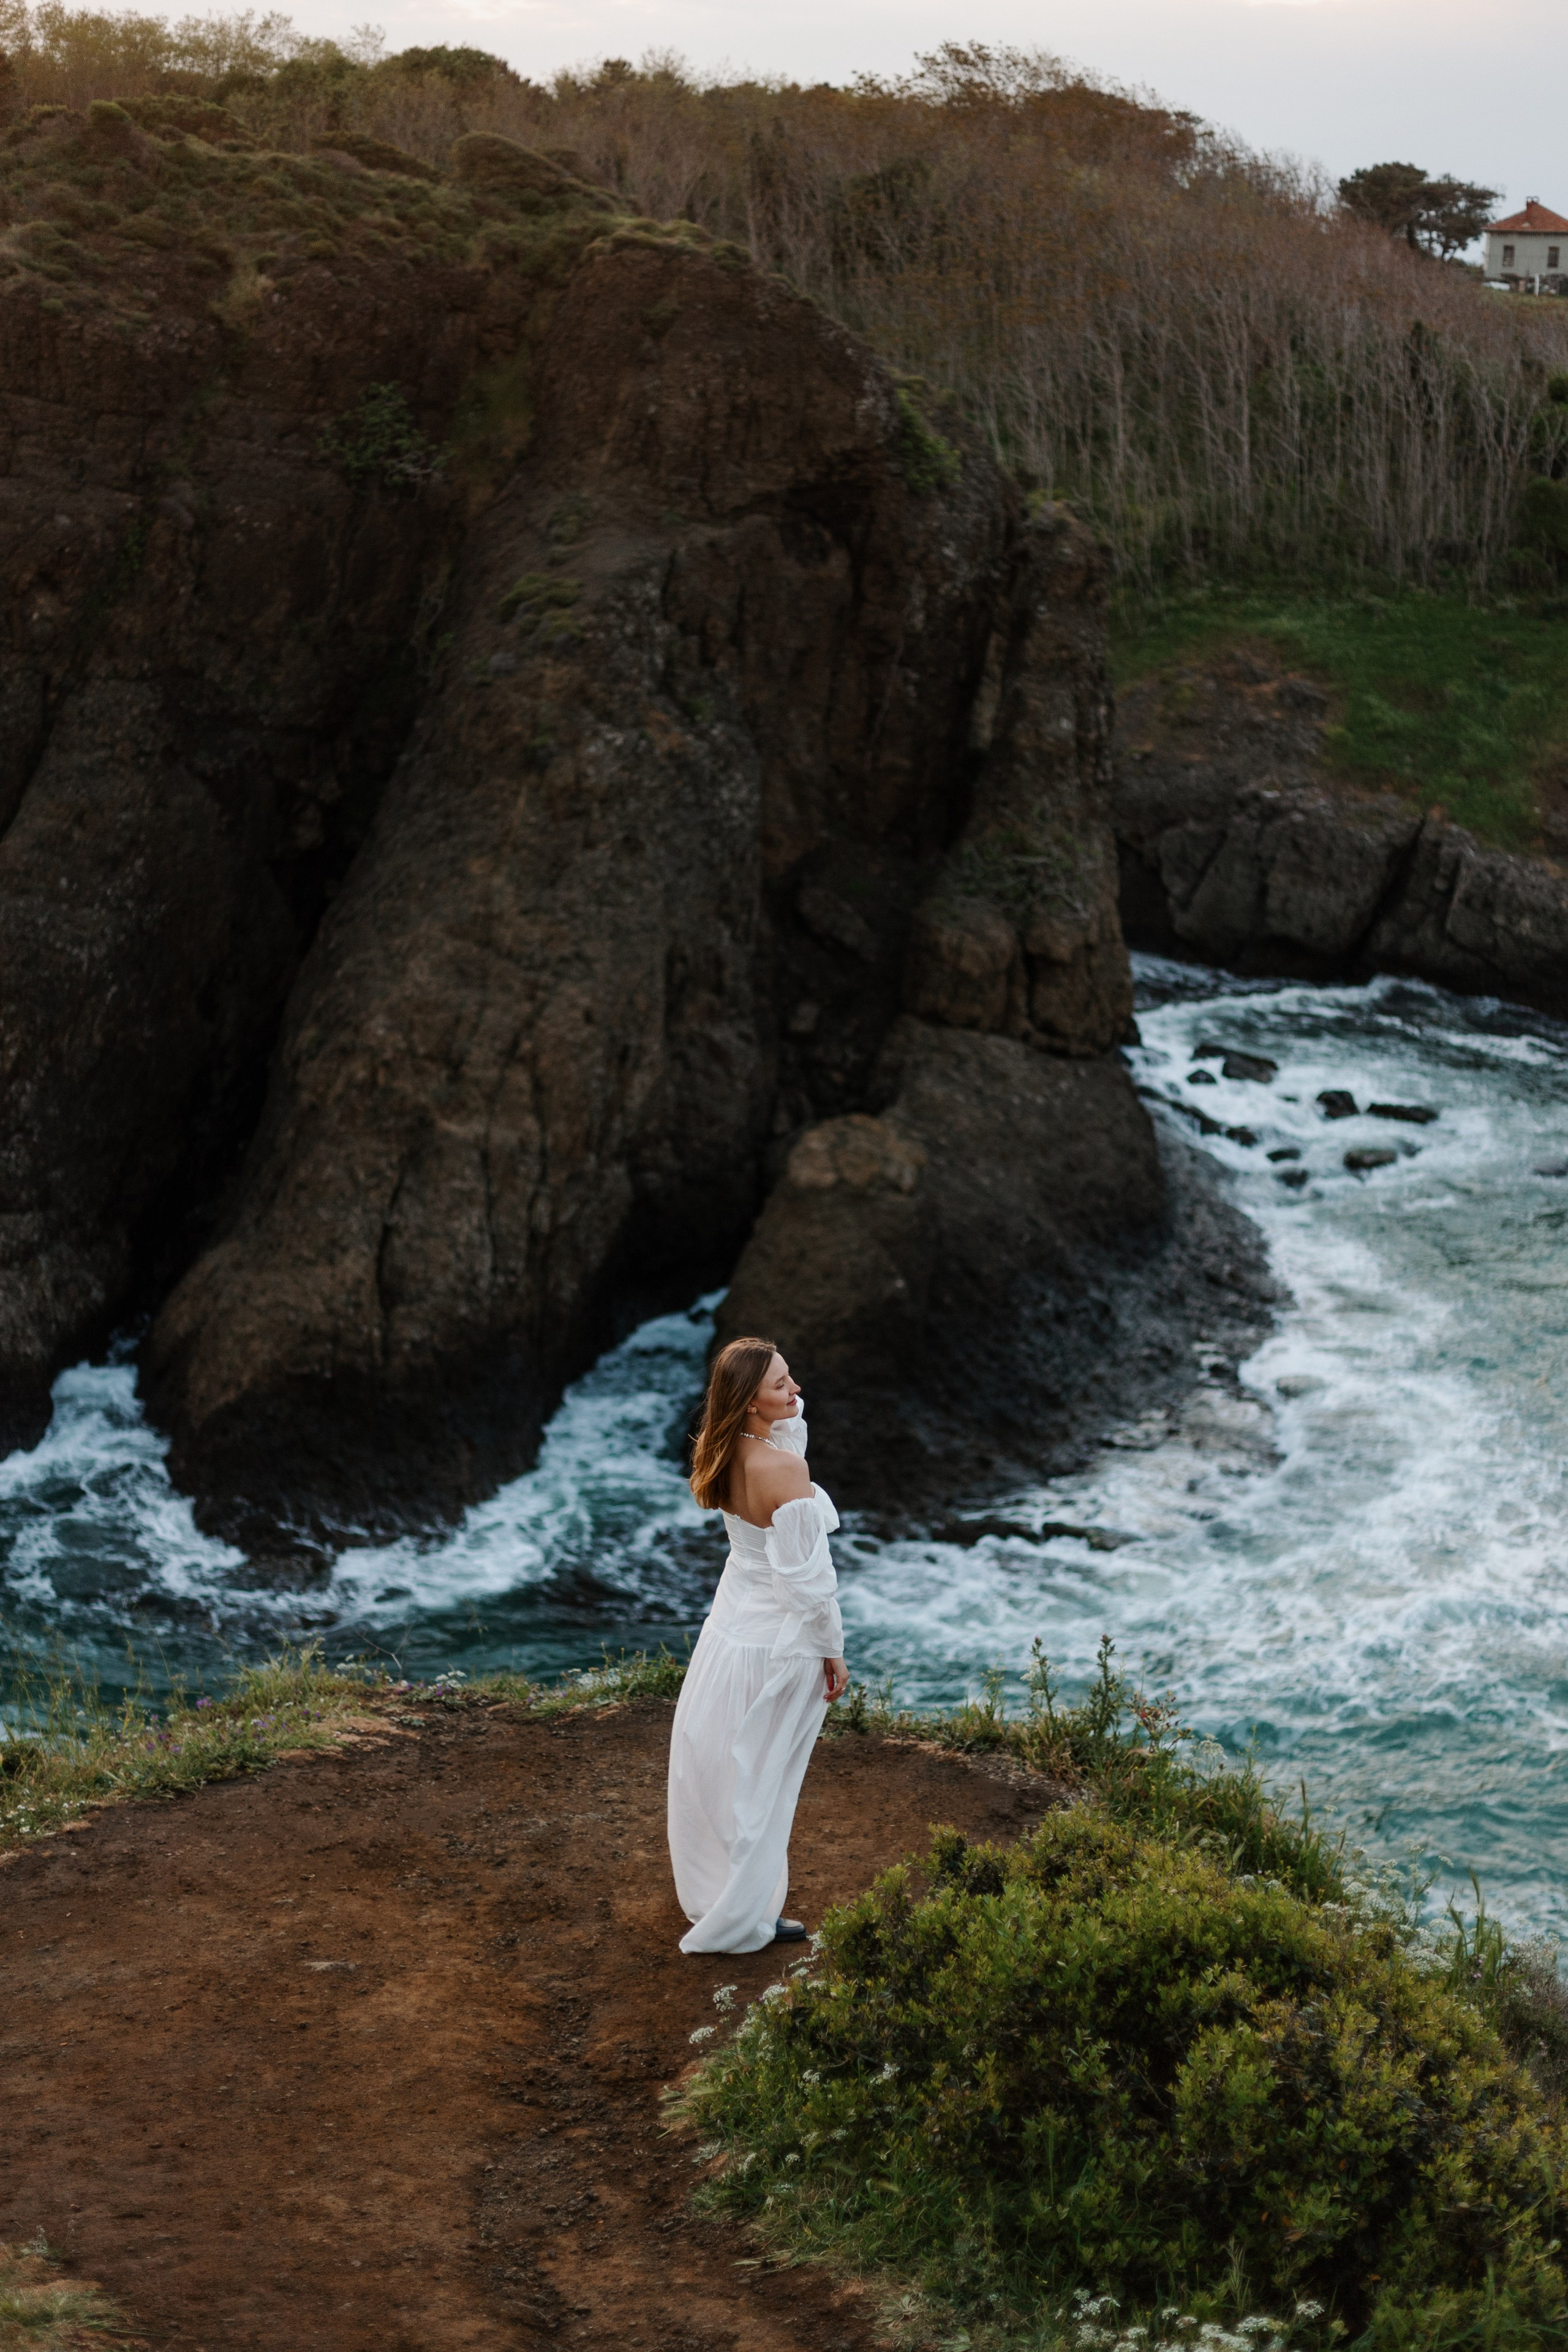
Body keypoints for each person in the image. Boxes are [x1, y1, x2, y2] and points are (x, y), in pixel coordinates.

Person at [666, 1336, 850, 1953]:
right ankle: (748, 1914)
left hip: (728, 1633)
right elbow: (806, 1585)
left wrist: (781, 1409)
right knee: (767, 1785)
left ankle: (722, 1896)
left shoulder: (722, 1452)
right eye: (781, 1384)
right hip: (778, 1645)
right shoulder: (784, 1470)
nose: (796, 1390)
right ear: (749, 1401)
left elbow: (784, 1435)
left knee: (724, 1774)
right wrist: (831, 1649)